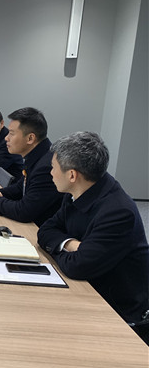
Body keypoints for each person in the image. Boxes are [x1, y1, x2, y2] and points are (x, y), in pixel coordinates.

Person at [38, 132, 149, 341]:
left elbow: (78, 267)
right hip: (90, 286)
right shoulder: (79, 191)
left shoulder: (118, 212)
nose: (50, 173)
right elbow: (45, 230)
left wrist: (63, 248)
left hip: (119, 314)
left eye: (53, 167)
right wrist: (71, 245)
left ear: (72, 175)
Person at [0, 107, 63, 227]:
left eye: (11, 133)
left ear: (30, 138)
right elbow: (19, 188)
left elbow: (24, 212)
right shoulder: (37, 155)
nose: (6, 138)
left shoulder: (47, 167)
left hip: (38, 230)